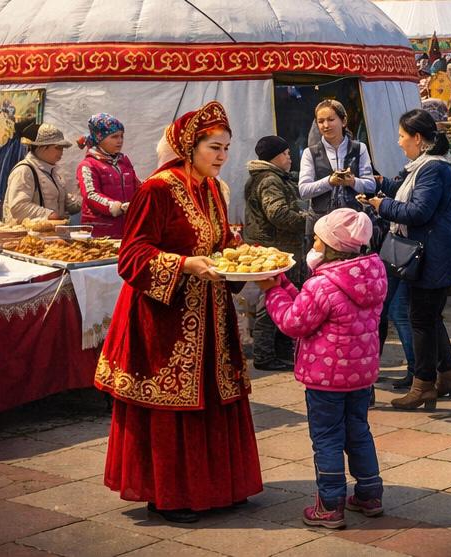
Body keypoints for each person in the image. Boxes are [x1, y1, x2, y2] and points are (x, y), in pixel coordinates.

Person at [95, 101, 262, 523]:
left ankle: (219, 487)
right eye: (214, 148)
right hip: (165, 320)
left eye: (226, 148)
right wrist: (183, 264)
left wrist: (241, 254)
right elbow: (132, 255)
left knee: (215, 396)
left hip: (212, 315)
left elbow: (220, 242)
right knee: (174, 403)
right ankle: (171, 494)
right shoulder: (157, 189)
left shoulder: (212, 188)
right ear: (190, 147)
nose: (222, 157)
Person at [257, 208, 387, 529]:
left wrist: (271, 291)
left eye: (317, 239)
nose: (312, 244)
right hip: (360, 374)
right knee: (358, 431)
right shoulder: (372, 273)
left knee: (327, 437)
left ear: (331, 246)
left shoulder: (323, 285)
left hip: (326, 379)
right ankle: (370, 494)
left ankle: (329, 504)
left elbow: (293, 322)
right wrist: (284, 284)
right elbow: (308, 306)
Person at [360, 109, 451, 411]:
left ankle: (423, 385)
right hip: (436, 254)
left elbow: (418, 211)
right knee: (430, 318)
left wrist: (382, 205)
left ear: (417, 138)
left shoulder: (433, 169)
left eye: (402, 136)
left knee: (421, 320)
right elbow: (411, 194)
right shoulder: (425, 166)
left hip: (434, 256)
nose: (398, 141)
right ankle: (449, 375)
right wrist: (382, 184)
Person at [243, 135, 308, 371]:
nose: (289, 158)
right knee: (273, 301)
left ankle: (282, 352)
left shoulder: (273, 177)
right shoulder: (270, 180)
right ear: (274, 156)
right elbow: (278, 214)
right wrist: (308, 221)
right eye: (286, 154)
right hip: (276, 249)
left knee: (283, 300)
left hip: (279, 247)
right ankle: (264, 355)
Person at [298, 99, 376, 243]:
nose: (326, 125)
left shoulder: (359, 148)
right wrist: (329, 182)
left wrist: (352, 182)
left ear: (343, 121)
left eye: (331, 119)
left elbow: (371, 185)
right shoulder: (310, 153)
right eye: (321, 121)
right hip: (320, 227)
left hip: (352, 226)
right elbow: (303, 191)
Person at [75, 113, 141, 238]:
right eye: (114, 137)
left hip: (127, 228)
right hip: (99, 232)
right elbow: (91, 194)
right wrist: (115, 206)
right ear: (99, 139)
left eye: (121, 136)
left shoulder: (124, 162)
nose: (120, 141)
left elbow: (137, 186)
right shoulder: (88, 165)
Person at [4, 124, 81, 224]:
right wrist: (50, 215)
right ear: (42, 147)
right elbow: (18, 207)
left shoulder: (53, 173)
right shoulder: (24, 170)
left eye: (62, 148)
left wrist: (84, 196)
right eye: (58, 147)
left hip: (50, 232)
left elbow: (66, 202)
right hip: (28, 233)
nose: (61, 152)